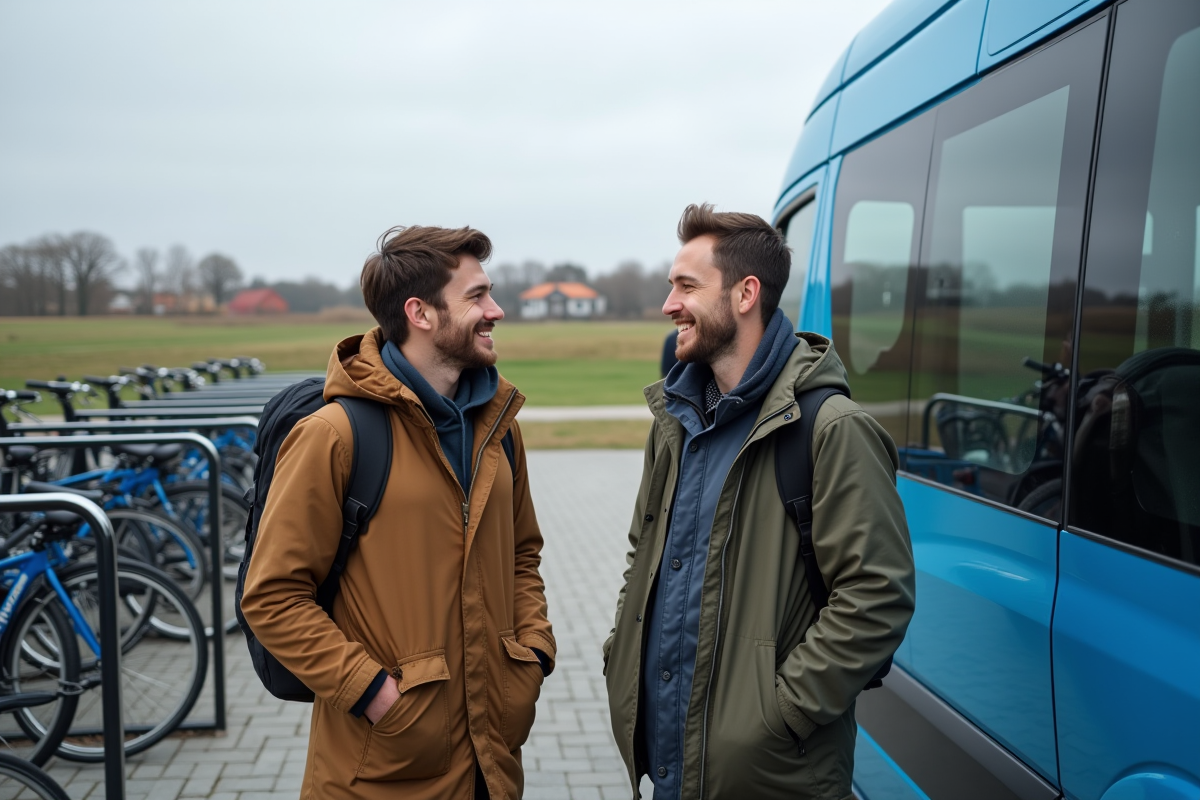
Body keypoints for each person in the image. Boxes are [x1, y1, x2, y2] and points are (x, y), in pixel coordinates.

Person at [603, 204, 915, 800]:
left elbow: (877, 597)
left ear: (746, 294)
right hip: (671, 764)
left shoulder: (832, 429)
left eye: (686, 286)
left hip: (769, 775)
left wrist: (776, 715)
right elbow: (643, 554)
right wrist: (623, 654)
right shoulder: (675, 423)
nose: (669, 305)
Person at [241, 225, 555, 800]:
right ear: (420, 313)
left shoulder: (499, 430)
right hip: (380, 773)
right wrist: (373, 694)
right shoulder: (334, 436)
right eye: (477, 296)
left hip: (494, 761)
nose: (497, 310)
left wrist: (531, 654)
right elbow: (273, 597)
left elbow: (522, 554)